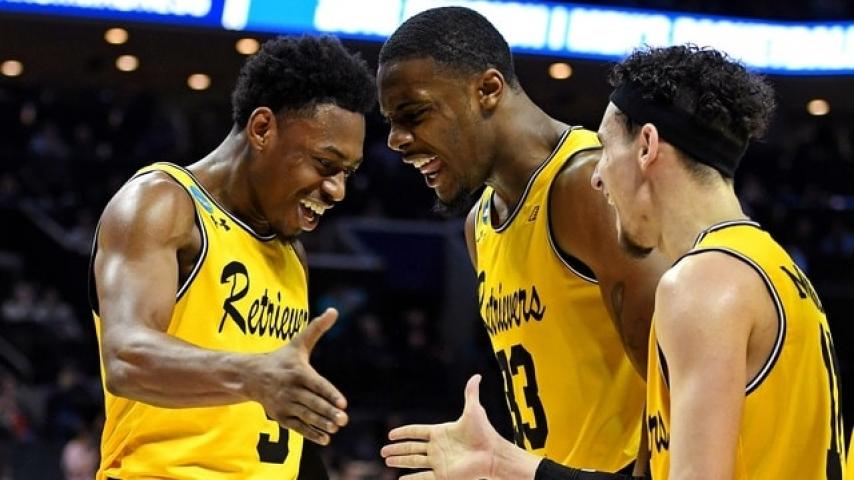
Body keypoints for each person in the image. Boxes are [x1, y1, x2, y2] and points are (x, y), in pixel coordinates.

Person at [381, 44, 848, 480]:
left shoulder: (703, 285)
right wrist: (509, 465)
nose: (598, 176)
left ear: (646, 146)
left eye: (605, 148)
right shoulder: (772, 267)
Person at [378, 6, 668, 475]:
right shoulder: (478, 226)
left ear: (488, 90)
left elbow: (680, 381)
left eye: (414, 114)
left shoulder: (588, 187)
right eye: (391, 121)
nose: (395, 139)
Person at [88, 35, 375, 479]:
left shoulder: (291, 253)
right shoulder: (162, 203)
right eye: (324, 163)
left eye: (347, 173)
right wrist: (253, 376)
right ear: (262, 129)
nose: (337, 189)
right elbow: (126, 357)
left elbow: (269, 432)